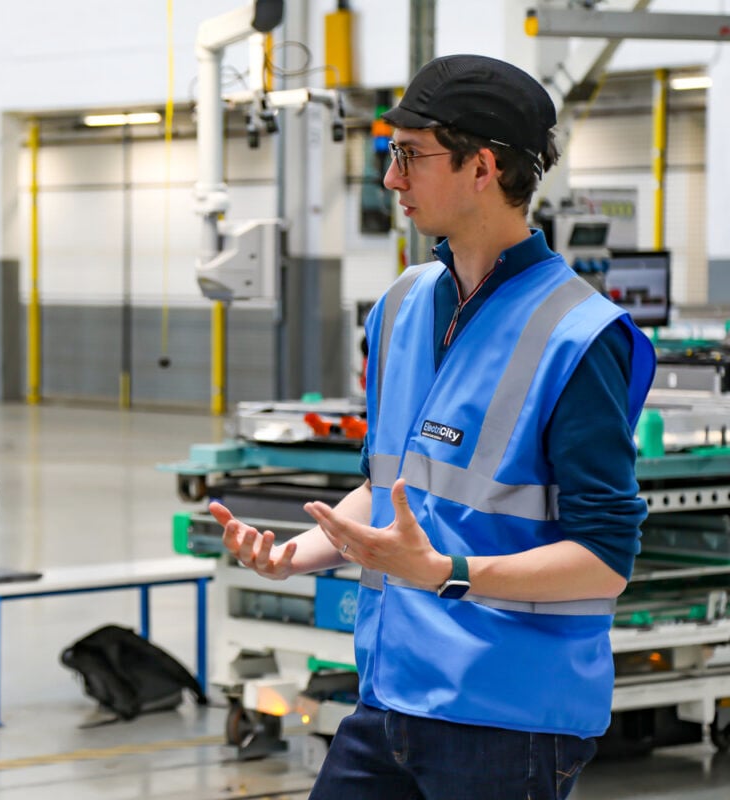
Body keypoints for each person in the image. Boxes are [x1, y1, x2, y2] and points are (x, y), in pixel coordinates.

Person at [212, 54, 656, 799]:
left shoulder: (579, 335)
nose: (391, 179)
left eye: (409, 156)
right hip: (390, 699)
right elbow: (388, 493)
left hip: (508, 720)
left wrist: (448, 574)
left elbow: (606, 558)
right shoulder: (403, 305)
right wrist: (294, 556)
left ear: (482, 166)